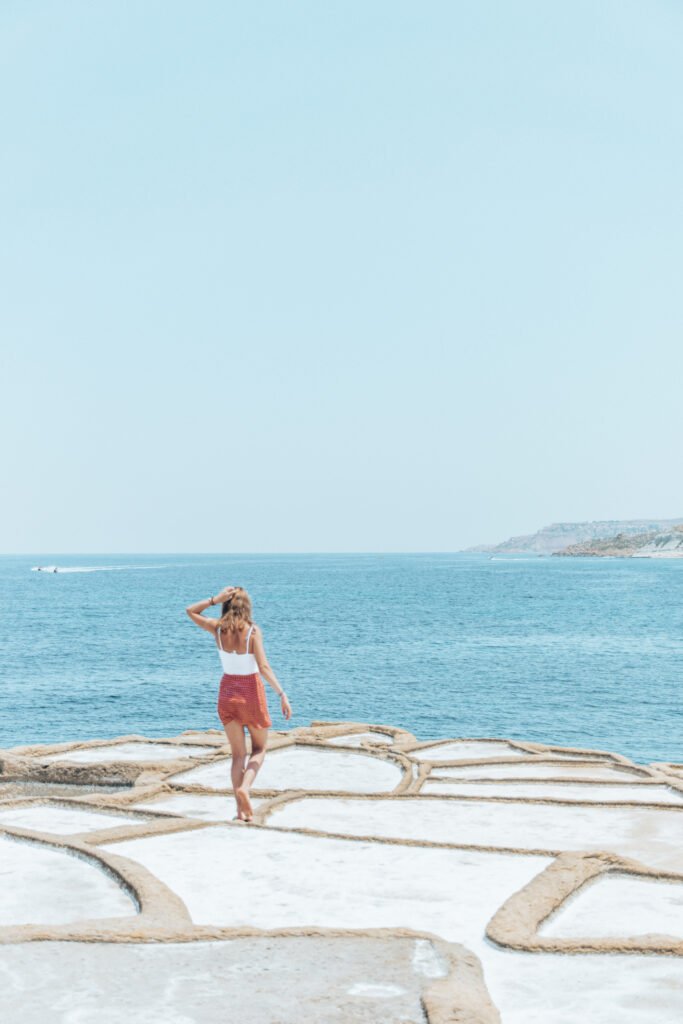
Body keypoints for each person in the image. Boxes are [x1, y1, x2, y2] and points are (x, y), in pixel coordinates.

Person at [186, 585, 291, 822]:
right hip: (251, 692)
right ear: (247, 606)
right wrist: (282, 693)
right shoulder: (253, 631)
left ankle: (240, 811)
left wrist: (214, 599)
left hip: (227, 692)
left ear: (226, 604)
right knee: (260, 749)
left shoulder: (218, 628)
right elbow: (263, 667)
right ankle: (245, 788)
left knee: (237, 756)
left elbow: (191, 611)